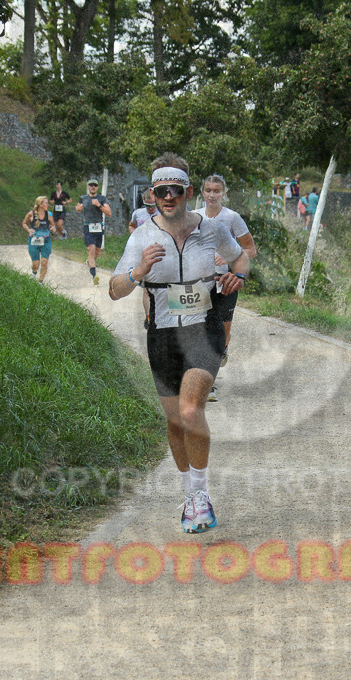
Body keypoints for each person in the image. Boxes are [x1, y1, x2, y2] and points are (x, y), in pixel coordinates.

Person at [108, 153, 249, 534]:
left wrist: (237, 279)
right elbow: (114, 290)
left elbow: (242, 261)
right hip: (162, 334)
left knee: (189, 411)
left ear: (188, 191)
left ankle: (201, 497)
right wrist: (137, 273)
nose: (169, 196)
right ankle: (190, 493)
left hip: (204, 328)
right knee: (174, 421)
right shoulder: (142, 236)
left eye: (176, 190)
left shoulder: (212, 229)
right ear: (152, 195)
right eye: (161, 191)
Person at [201, 174, 257, 402]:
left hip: (226, 282)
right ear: (202, 193)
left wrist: (230, 259)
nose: (212, 195)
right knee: (202, 328)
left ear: (224, 193)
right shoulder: (193, 217)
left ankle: (221, 350)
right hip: (201, 282)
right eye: (208, 190)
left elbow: (250, 250)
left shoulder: (232, 218)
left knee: (222, 329)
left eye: (217, 191)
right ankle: (209, 383)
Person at [129, 189, 159, 328]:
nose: (151, 209)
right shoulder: (138, 213)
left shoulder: (164, 213)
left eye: (153, 205)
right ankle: (149, 318)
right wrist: (135, 235)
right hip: (145, 256)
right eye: (147, 206)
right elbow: (131, 225)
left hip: (162, 255)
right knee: (147, 288)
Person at [75, 179, 112, 285]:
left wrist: (99, 205)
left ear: (97, 187)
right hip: (88, 227)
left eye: (95, 185)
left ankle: (90, 263)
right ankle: (94, 275)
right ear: (88, 187)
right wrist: (79, 208)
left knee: (97, 252)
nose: (93, 187)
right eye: (91, 185)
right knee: (91, 250)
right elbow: (77, 208)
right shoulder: (83, 198)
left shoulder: (102, 198)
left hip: (98, 227)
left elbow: (109, 213)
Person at [22, 196, 57, 283]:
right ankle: (34, 273)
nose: (48, 204)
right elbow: (24, 223)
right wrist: (28, 230)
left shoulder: (48, 214)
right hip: (34, 241)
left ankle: (40, 283)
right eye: (46, 203)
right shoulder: (31, 214)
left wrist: (53, 228)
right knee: (36, 264)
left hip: (46, 241)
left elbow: (53, 225)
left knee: (44, 263)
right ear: (40, 204)